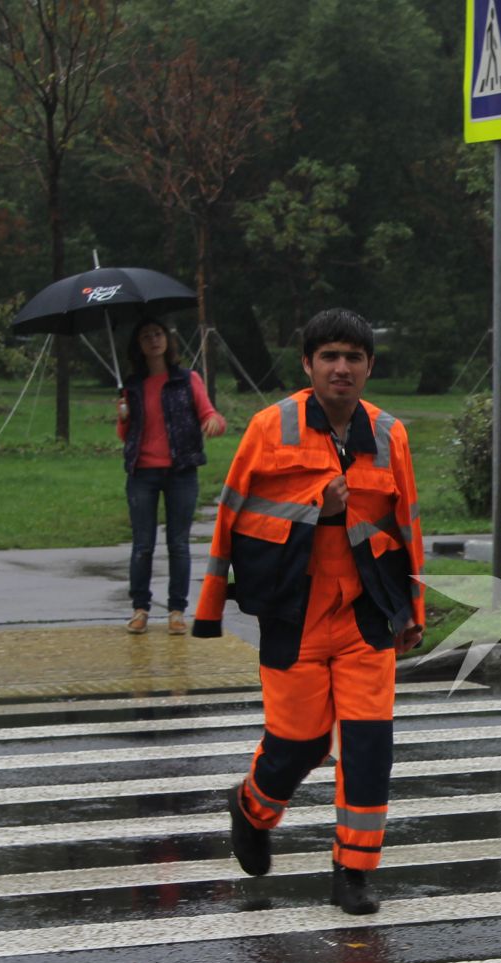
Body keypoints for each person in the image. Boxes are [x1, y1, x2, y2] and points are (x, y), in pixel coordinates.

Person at [192, 308, 426, 915]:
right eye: (329, 357)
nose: (341, 368)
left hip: (365, 612)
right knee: (298, 741)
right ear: (308, 364)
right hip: (294, 612)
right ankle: (252, 808)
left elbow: (407, 525)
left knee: (370, 744)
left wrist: (413, 610)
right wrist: (314, 514)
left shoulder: (389, 433)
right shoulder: (272, 428)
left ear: (370, 366)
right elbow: (235, 514)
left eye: (353, 357)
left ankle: (353, 870)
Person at [117, 319, 227, 634]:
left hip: (181, 471)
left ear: (167, 340)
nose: (154, 340)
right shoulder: (133, 385)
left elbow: (210, 414)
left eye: (158, 334)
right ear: (138, 345)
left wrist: (213, 424)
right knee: (143, 545)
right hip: (142, 473)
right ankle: (140, 609)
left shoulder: (187, 379)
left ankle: (177, 611)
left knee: (178, 543)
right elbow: (126, 434)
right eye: (146, 335)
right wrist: (123, 414)